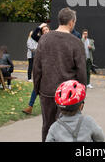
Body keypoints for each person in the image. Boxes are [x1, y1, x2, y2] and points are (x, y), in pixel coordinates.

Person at [33, 7, 87, 142]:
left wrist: (37, 88)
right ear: (71, 22)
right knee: (67, 129)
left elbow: (37, 68)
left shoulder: (44, 39)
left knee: (47, 126)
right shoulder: (76, 43)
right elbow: (81, 72)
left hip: (47, 91)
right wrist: (82, 96)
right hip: (69, 94)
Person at [23, 25, 50, 115]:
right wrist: (40, 26)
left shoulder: (53, 38)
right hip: (42, 66)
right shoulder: (41, 39)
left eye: (47, 29)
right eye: (43, 30)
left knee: (51, 86)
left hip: (51, 67)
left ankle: (54, 107)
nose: (45, 30)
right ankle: (30, 107)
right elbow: (34, 35)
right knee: (36, 86)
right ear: (42, 33)